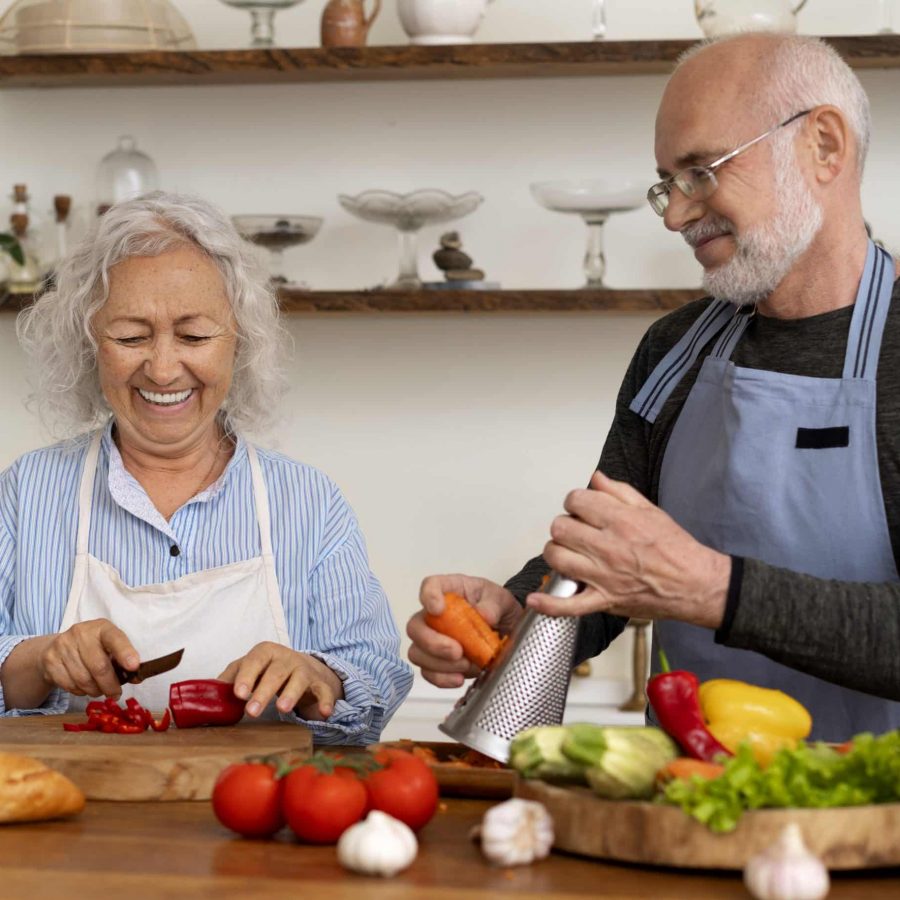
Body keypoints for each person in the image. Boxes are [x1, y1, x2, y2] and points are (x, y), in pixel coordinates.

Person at [407, 32, 900, 742]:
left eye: (702, 172)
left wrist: (711, 590)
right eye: (666, 183)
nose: (675, 214)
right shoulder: (673, 349)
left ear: (823, 146)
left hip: (874, 826)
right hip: (678, 806)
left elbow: (683, 580)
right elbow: (605, 570)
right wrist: (521, 617)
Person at [0, 191, 412, 744]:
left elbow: (376, 680)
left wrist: (321, 678)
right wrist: (41, 659)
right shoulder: (28, 492)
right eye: (130, 336)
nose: (164, 368)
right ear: (89, 344)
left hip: (259, 817)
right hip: (71, 816)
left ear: (238, 342)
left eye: (194, 336)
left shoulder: (307, 501)